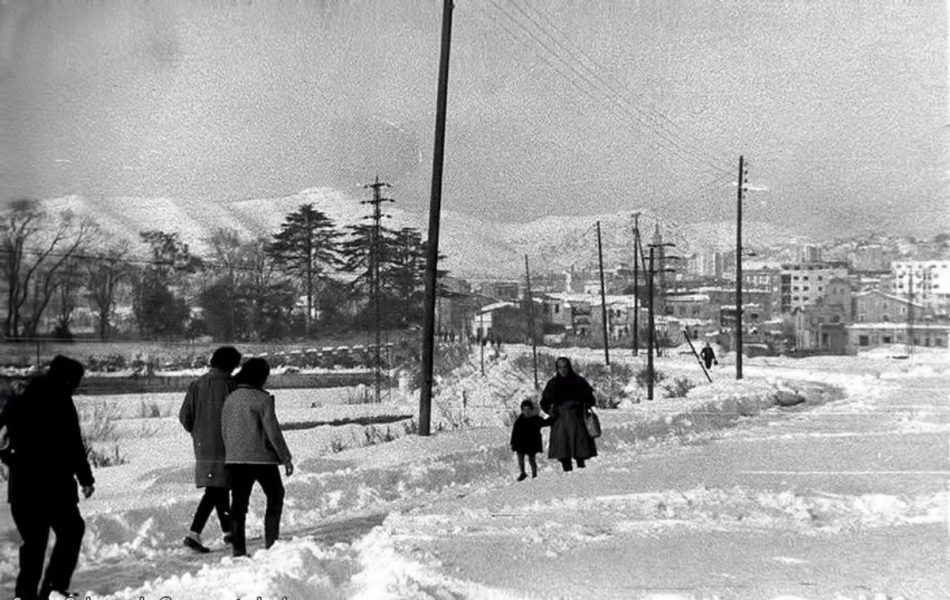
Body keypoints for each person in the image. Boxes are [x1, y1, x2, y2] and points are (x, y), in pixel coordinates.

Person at [0, 355, 94, 600]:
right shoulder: (61, 399)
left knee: (33, 543)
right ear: (67, 378)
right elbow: (74, 443)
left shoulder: (18, 398)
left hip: (22, 488)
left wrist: (14, 461)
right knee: (72, 531)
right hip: (55, 486)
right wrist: (85, 478)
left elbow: (1, 438)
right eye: (77, 381)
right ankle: (53, 588)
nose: (77, 386)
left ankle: (26, 595)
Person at [221, 358, 293, 557]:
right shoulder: (263, 399)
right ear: (261, 376)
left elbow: (224, 429)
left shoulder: (230, 399)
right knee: (275, 495)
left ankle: (238, 550)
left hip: (235, 460)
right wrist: (285, 457)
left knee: (238, 506)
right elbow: (273, 433)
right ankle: (271, 543)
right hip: (262, 459)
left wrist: (230, 453)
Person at [178, 346, 242, 553]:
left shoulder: (196, 385)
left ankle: (229, 532)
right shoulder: (233, 386)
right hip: (226, 444)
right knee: (215, 489)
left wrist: (199, 433)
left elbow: (184, 417)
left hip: (203, 446)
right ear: (232, 365)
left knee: (218, 487)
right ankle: (193, 534)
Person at [540, 357, 597, 472]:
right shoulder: (553, 383)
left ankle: (581, 475)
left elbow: (591, 399)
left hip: (577, 419)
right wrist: (549, 411)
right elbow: (544, 402)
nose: (563, 370)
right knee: (563, 452)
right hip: (560, 421)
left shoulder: (579, 382)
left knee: (580, 452)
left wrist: (583, 404)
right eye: (560, 367)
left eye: (565, 367)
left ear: (569, 367)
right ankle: (567, 475)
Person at [509, 399, 551, 481]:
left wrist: (553, 416)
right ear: (522, 410)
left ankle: (534, 474)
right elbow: (514, 434)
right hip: (521, 443)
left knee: (532, 459)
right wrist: (513, 444)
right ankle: (523, 473)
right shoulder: (519, 421)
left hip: (532, 443)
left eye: (528, 409)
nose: (526, 411)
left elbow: (546, 422)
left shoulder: (536, 419)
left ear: (531, 410)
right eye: (524, 410)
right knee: (520, 459)